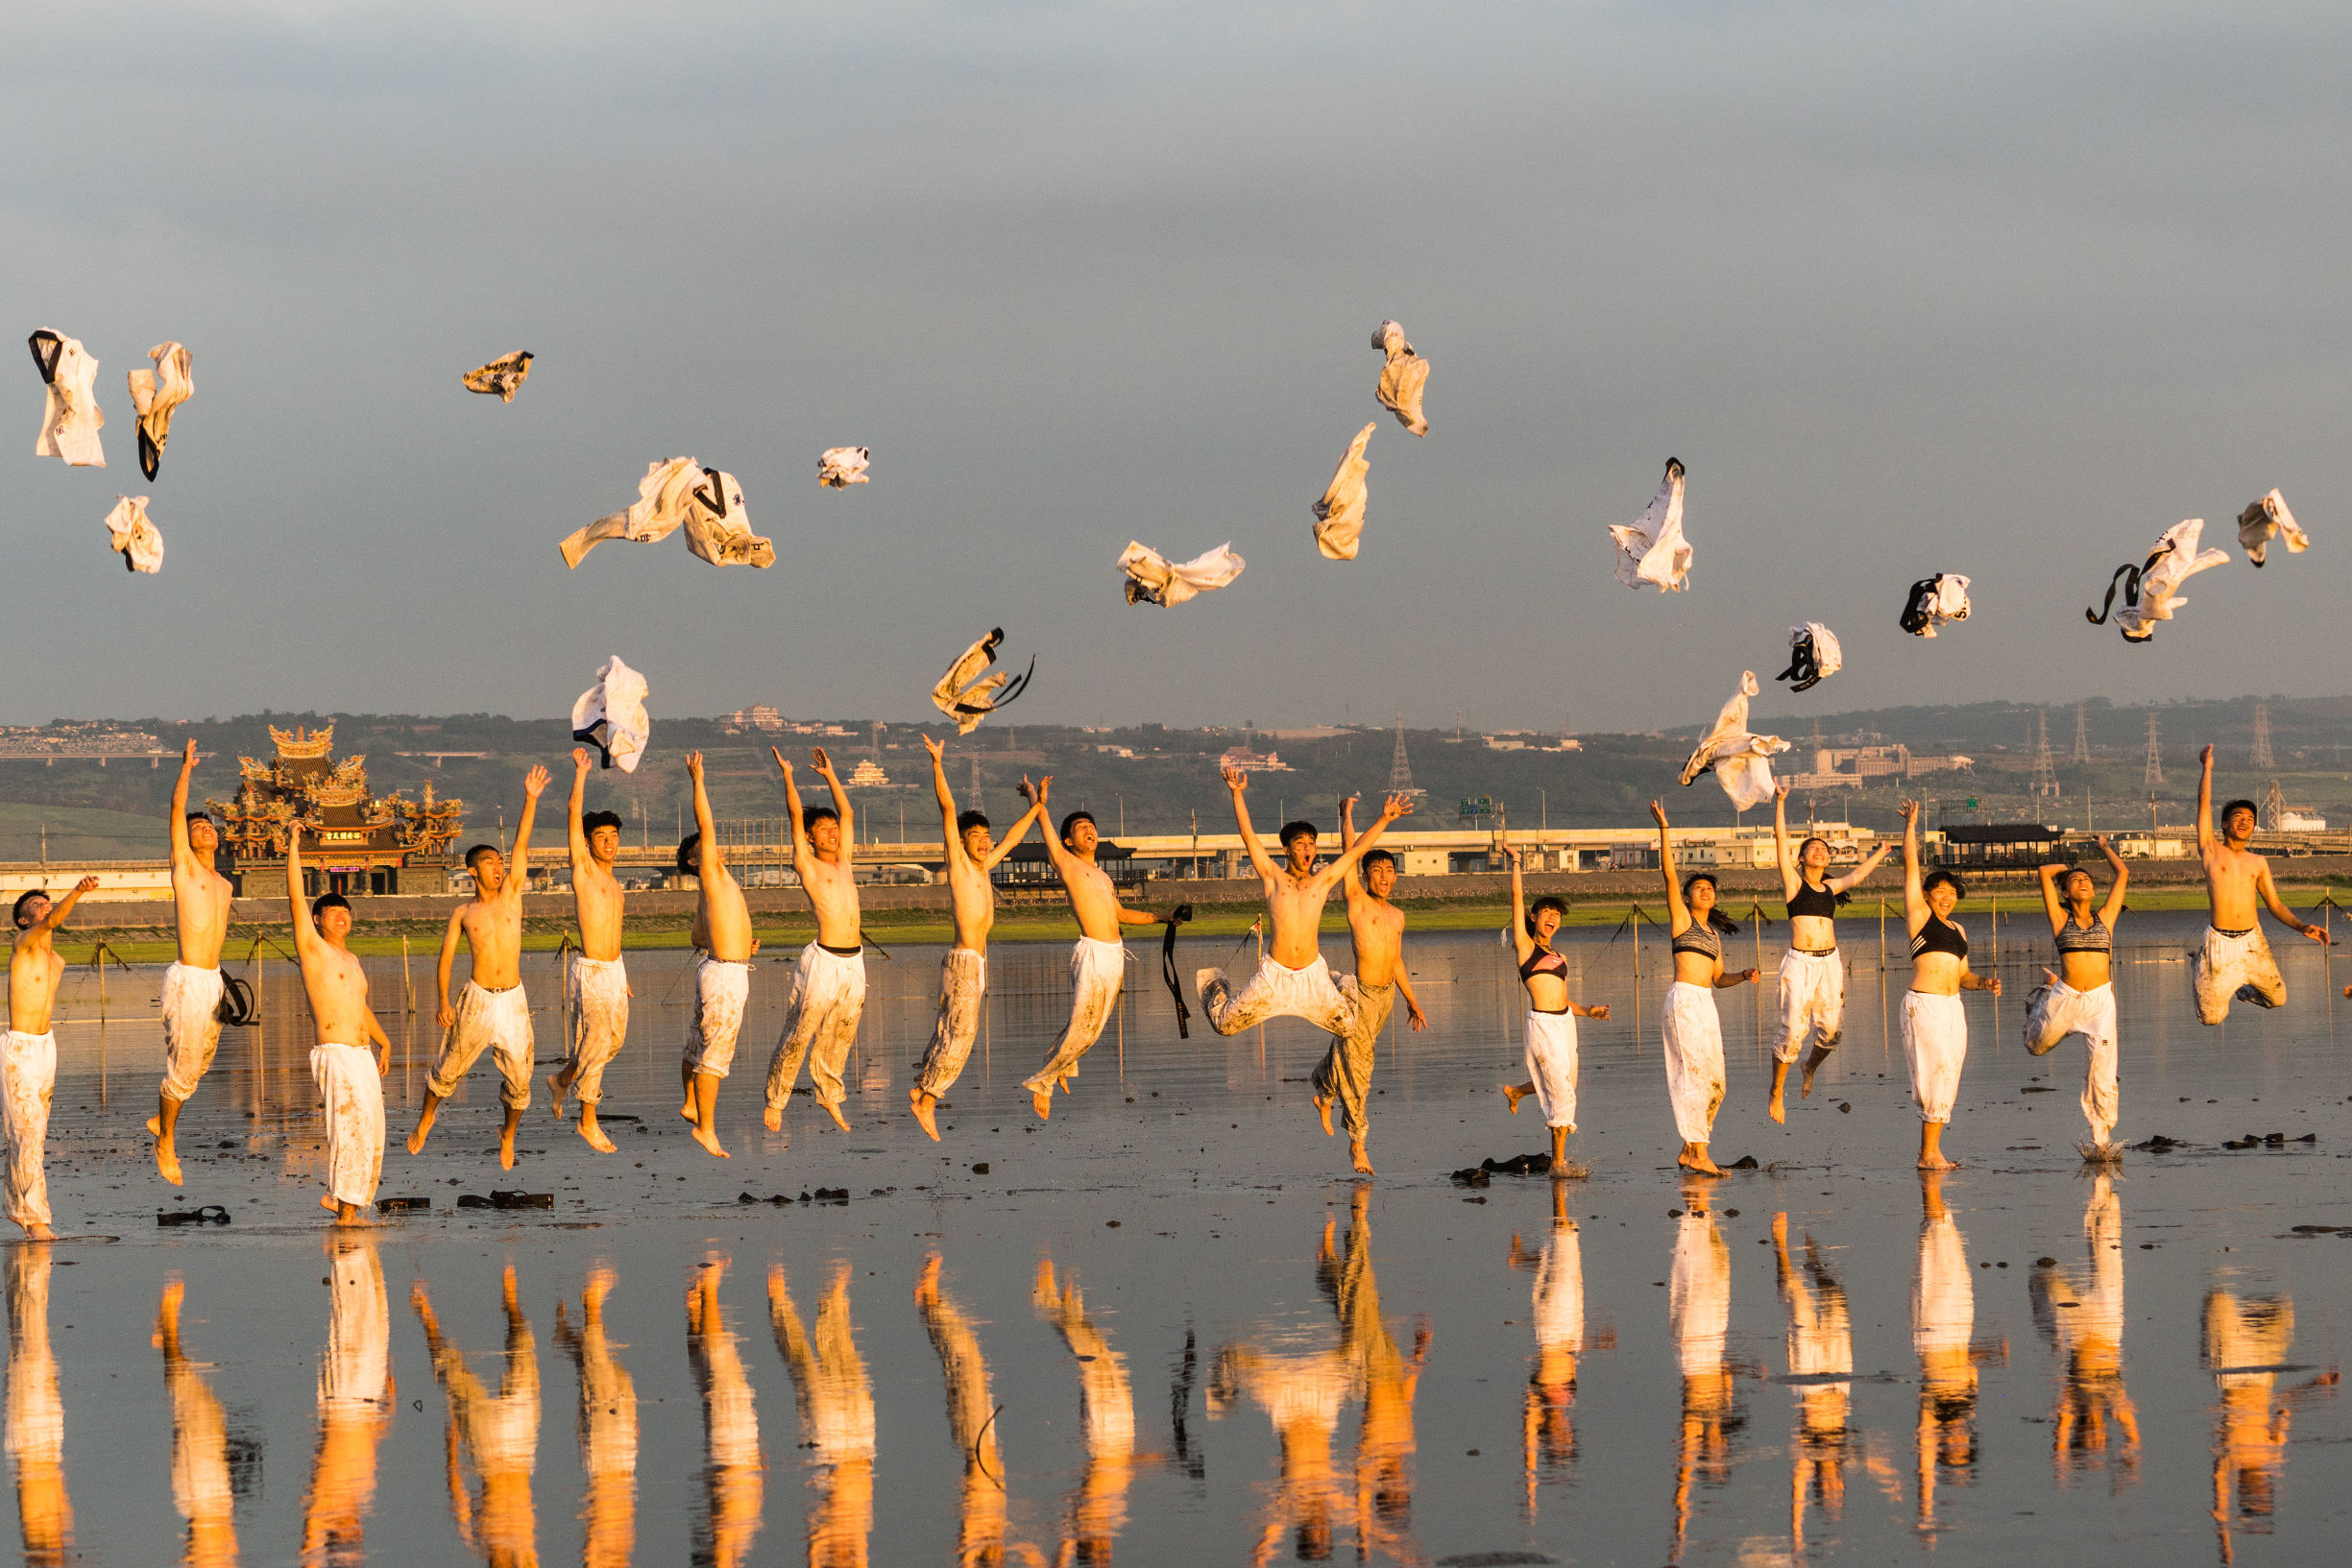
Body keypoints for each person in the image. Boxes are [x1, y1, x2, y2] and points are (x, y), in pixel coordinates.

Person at [408, 765, 549, 1170]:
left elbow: (522, 844)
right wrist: (441, 999)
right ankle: (426, 1118)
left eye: (498, 861)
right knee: (447, 1069)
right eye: (489, 862)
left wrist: (531, 798)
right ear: (472, 870)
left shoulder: (512, 897)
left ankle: (507, 1136)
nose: (497, 866)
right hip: (477, 998)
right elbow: (446, 958)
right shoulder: (463, 912)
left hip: (514, 1000)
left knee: (521, 1081)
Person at [1197, 766, 1407, 1036]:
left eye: (1311, 843)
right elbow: (1248, 836)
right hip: (1274, 976)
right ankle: (1213, 982)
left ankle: (1341, 983)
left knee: (1349, 1028)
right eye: (1300, 843)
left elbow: (1357, 851)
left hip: (1312, 976)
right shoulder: (1273, 877)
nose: (1307, 848)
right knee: (1224, 1026)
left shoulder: (1322, 880)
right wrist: (1237, 795)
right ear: (1286, 849)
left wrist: (1384, 819)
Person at [908, 735, 1048, 1141]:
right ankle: (926, 1098)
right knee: (961, 1036)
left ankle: (923, 1087)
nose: (986, 841)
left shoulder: (985, 868)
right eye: (977, 837)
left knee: (950, 1032)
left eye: (987, 836)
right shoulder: (961, 866)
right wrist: (937, 764)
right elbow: (948, 809)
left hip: (975, 963)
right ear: (963, 840)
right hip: (965, 959)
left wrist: (1036, 803)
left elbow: (1017, 837)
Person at [1020, 778, 1173, 1121]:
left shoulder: (1102, 876)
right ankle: (1042, 1081)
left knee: (1092, 1030)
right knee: (1083, 1026)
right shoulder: (1066, 863)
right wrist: (1036, 797)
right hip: (1092, 953)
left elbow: (1121, 914)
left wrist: (1163, 917)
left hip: (1115, 954)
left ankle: (1056, 1064)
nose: (1089, 830)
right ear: (1068, 840)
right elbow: (1044, 826)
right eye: (1080, 827)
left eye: (1091, 826)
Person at [1311, 795, 1429, 1175]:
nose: (1383, 876)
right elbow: (1352, 850)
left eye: (1389, 870)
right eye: (1376, 870)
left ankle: (1324, 1094)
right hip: (1359, 993)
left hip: (1386, 999)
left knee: (1349, 1053)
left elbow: (1395, 960)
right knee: (1361, 1068)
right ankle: (1358, 1143)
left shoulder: (1397, 916)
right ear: (1364, 875)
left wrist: (1412, 1000)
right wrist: (1346, 813)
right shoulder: (1357, 901)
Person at [1764, 783, 1892, 1123]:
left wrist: (1881, 852)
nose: (1819, 850)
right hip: (1799, 964)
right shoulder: (1795, 884)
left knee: (1832, 1031)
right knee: (1792, 1032)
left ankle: (1809, 1066)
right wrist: (1780, 803)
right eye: (1812, 847)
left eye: (1824, 847)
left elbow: (1857, 875)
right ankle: (1777, 1091)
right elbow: (1780, 841)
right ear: (1802, 858)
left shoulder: (1830, 887)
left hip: (1830, 963)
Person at [286, 823, 390, 1223]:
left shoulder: (352, 961)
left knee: (373, 1130)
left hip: (362, 1053)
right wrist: (294, 846)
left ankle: (350, 1202)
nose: (343, 917)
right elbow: (296, 896)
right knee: (350, 1127)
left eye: (346, 912)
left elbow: (359, 1006)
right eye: (334, 912)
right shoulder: (313, 949)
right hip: (336, 1053)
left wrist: (386, 1042)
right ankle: (342, 1204)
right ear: (318, 919)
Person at [764, 746, 869, 1135]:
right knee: (801, 1030)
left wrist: (831, 775)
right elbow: (795, 814)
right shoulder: (806, 864)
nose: (833, 832)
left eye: (833, 828)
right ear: (809, 838)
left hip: (854, 961)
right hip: (823, 959)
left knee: (842, 1031)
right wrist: (789, 775)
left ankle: (829, 1095)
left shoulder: (845, 861)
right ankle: (776, 1098)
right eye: (823, 829)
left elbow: (850, 813)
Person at [1650, 802, 1758, 1176]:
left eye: (1710, 888)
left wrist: (1742, 976)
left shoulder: (1713, 935)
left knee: (1717, 1083)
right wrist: (1665, 829)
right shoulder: (1682, 920)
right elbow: (1667, 876)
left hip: (1705, 1003)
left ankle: (1689, 1148)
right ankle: (1699, 1153)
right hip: (1683, 1001)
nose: (1706, 892)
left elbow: (1718, 979)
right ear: (1689, 896)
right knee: (1693, 1075)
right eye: (1699, 888)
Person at [150, 738, 236, 1186]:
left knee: (201, 1061)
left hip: (213, 980)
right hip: (186, 977)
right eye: (197, 826)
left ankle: (160, 1117)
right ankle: (166, 1141)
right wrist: (186, 769)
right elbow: (177, 807)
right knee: (183, 1070)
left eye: (209, 826)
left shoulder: (224, 884)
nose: (205, 829)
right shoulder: (184, 865)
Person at [2194, 744, 2329, 1023]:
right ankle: (2206, 969)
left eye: (2250, 819)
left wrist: (2303, 927)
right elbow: (2203, 804)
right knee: (2210, 1018)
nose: (2245, 822)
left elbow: (2275, 905)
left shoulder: (2258, 862)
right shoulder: (2210, 850)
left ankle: (2243, 990)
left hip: (2252, 940)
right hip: (2219, 941)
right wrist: (2207, 768)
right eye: (2238, 818)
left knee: (2278, 999)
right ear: (2224, 825)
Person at [1898, 800, 1998, 1171]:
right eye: (1940, 890)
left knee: (1949, 1074)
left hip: (1953, 1006)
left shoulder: (1959, 930)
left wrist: (1983, 982)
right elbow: (1911, 866)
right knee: (1932, 1074)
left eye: (1952, 893)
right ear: (1927, 895)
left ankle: (1932, 1152)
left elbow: (1962, 976)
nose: (1947, 896)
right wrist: (1912, 826)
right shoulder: (1920, 916)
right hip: (1922, 1004)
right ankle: (1927, 1153)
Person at [1500, 841, 1609, 1169]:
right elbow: (1517, 899)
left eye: (1557, 915)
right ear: (1534, 917)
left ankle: (1517, 1092)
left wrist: (1588, 1010)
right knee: (1561, 1093)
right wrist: (1517, 863)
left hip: (1565, 1023)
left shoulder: (1560, 956)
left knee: (1564, 1083)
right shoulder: (1525, 946)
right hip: (1543, 1024)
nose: (1552, 918)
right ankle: (1559, 1163)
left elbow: (1562, 999)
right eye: (1546, 912)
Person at [2026, 836, 2130, 1158]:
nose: (2082, 882)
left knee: (2101, 1071)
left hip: (2100, 1002)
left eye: (2086, 879)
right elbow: (2045, 872)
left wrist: (2104, 847)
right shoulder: (2060, 919)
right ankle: (2043, 998)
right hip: (2066, 998)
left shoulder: (2105, 918)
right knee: (2036, 1047)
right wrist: (2067, 868)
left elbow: (2123, 873)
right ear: (2066, 893)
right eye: (2075, 881)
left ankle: (2101, 1141)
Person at [7, 876, 97, 1240]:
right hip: (21, 1048)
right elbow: (54, 921)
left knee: (36, 1134)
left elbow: (55, 923)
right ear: (25, 920)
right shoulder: (23, 943)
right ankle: (36, 1220)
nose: (45, 906)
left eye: (47, 901)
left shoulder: (56, 960)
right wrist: (76, 891)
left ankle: (24, 1213)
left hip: (47, 1047)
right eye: (36, 906)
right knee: (24, 1134)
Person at [547, 749, 628, 1152]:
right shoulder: (584, 868)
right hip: (592, 970)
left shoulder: (616, 885)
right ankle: (588, 1118)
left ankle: (561, 1080)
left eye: (614, 837)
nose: (609, 843)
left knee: (611, 1044)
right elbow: (572, 810)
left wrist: (624, 979)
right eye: (601, 837)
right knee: (596, 1042)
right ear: (588, 842)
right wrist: (580, 773)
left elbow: (615, 933)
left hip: (615, 971)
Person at [679, 753, 752, 1159]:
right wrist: (698, 781)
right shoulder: (709, 870)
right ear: (696, 859)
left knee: (698, 1043)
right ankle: (706, 1127)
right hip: (724, 974)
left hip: (722, 966)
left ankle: (690, 1102)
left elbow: (697, 936)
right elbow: (704, 823)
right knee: (715, 1054)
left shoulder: (714, 886)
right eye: (707, 848)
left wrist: (742, 945)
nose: (715, 847)